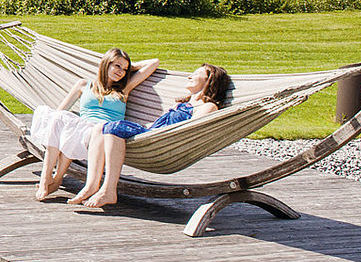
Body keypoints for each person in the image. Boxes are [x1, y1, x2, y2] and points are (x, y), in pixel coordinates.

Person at [72, 63, 232, 208]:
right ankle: (91, 185)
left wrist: (161, 138)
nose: (189, 76)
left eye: (196, 73)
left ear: (210, 80)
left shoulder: (207, 106)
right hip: (151, 135)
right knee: (100, 127)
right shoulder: (184, 103)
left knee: (113, 128)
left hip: (162, 141)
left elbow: (191, 131)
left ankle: (108, 190)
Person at [31, 48, 159, 201]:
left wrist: (131, 67)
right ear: (106, 64)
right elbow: (60, 110)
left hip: (102, 135)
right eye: (117, 66)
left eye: (124, 69)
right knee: (58, 118)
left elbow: (154, 63)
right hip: (81, 129)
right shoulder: (83, 85)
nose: (121, 72)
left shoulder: (124, 89)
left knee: (72, 129)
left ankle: (56, 178)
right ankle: (47, 178)